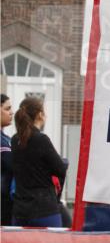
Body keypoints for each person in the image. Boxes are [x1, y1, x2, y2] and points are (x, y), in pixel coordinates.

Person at [10, 97, 67, 228]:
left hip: (20, 211)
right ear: (40, 115)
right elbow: (60, 169)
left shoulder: (14, 140)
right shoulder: (41, 139)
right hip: (45, 210)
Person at [1, 94, 14, 225]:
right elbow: (11, 164)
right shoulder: (2, 141)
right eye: (7, 108)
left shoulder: (6, 138)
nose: (11, 112)